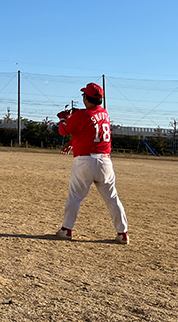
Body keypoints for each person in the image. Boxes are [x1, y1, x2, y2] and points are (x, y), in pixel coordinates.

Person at [55, 82, 129, 244]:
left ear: (87, 98)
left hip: (84, 161)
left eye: (84, 96)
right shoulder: (105, 113)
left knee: (75, 196)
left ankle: (67, 230)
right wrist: (72, 142)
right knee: (112, 198)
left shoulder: (82, 115)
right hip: (105, 161)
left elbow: (63, 129)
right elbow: (90, 132)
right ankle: (122, 233)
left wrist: (63, 118)